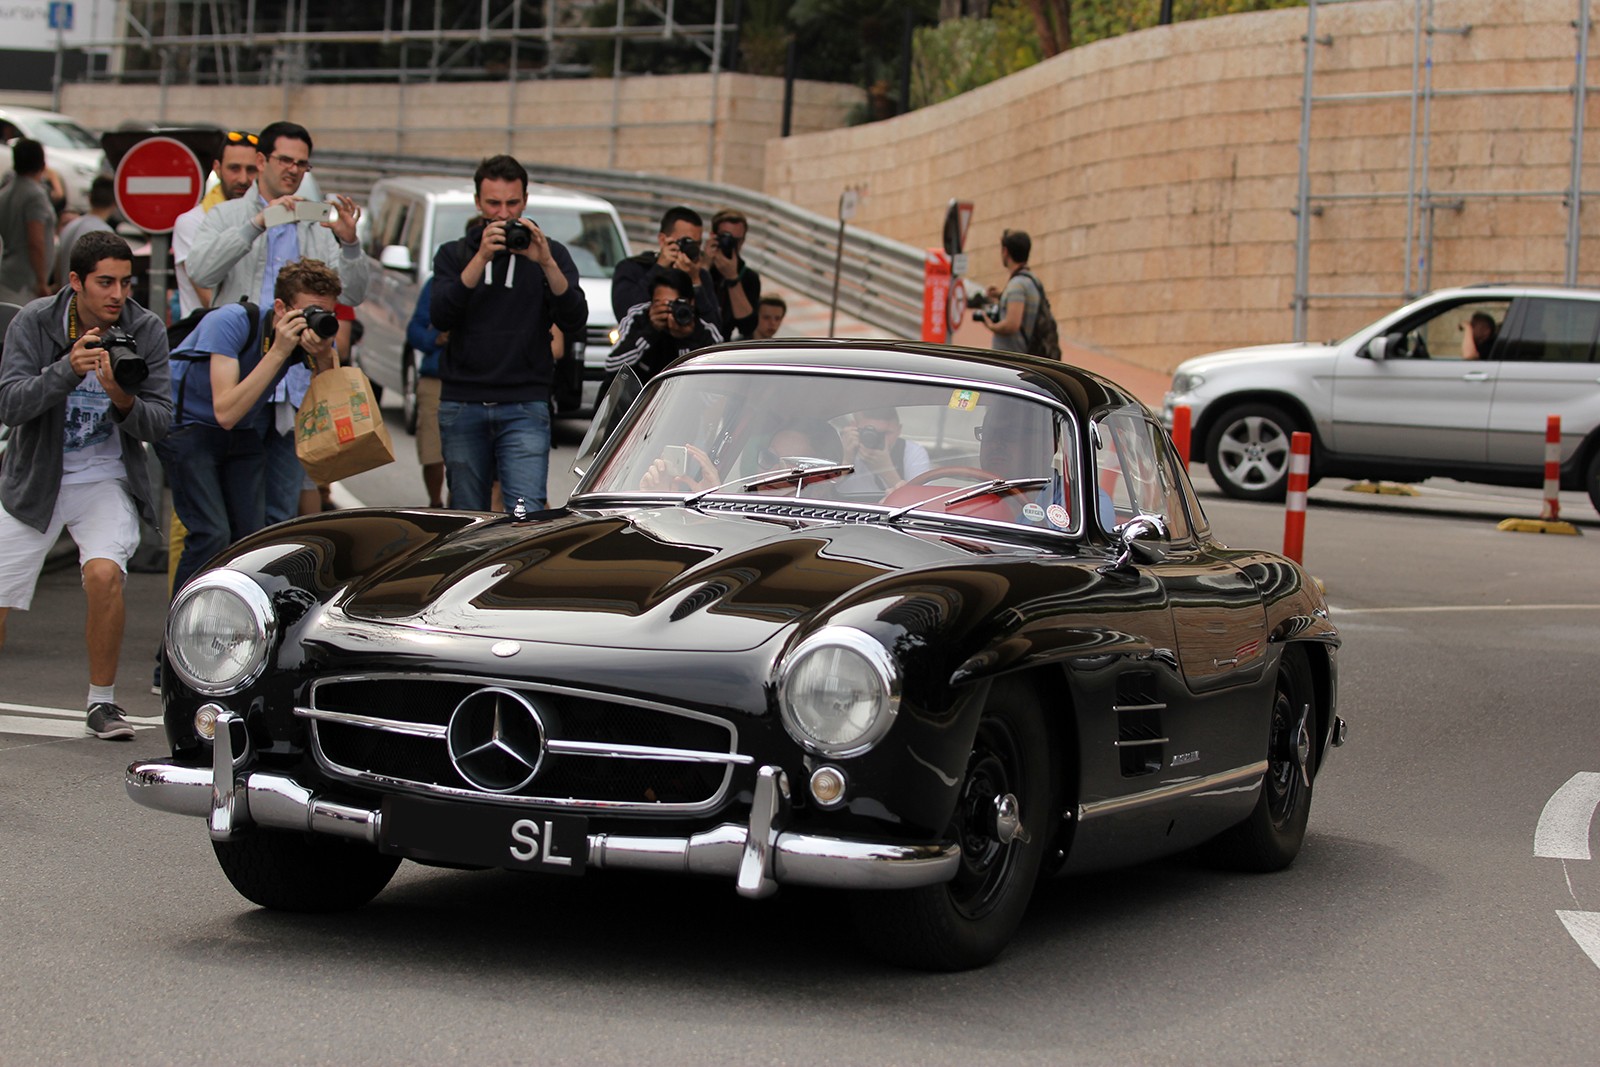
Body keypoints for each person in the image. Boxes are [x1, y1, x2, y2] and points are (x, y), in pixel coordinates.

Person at [0, 231, 172, 739]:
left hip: (104, 478)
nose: (117, 294)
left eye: (125, 282)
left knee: (104, 576)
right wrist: (65, 371)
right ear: (75, 282)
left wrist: (122, 399)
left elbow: (161, 421)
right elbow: (9, 404)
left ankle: (102, 703)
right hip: (37, 476)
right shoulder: (35, 321)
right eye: (104, 282)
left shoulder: (145, 327)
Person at [186, 121, 369, 527]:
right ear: (261, 160)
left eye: (302, 164)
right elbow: (200, 270)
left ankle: (269, 590)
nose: (293, 170)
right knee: (227, 517)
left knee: (279, 517)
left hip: (293, 388)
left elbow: (352, 295)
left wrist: (351, 243)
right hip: (240, 379)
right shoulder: (229, 215)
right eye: (285, 160)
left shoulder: (316, 226)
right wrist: (256, 224)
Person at [157, 258, 342, 597]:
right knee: (211, 533)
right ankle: (176, 632)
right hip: (189, 430)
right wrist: (279, 352)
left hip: (240, 433)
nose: (316, 322)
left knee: (251, 543)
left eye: (326, 313)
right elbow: (225, 411)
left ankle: (232, 625)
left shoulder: (301, 341)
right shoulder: (230, 321)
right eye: (309, 312)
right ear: (281, 307)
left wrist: (326, 356)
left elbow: (333, 405)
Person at [429, 154, 587, 514]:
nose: (503, 214)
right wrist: (481, 257)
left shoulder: (551, 255)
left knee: (526, 512)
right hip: (463, 401)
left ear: (525, 201)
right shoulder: (454, 254)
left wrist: (545, 262)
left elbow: (575, 319)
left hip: (524, 402)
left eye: (512, 203)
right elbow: (441, 315)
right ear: (478, 203)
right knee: (467, 516)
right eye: (493, 204)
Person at [172, 130, 261, 317]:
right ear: (217, 168)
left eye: (251, 170)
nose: (243, 179)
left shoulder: (265, 219)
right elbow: (211, 299)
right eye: (234, 168)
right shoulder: (191, 222)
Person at [605, 267, 723, 386]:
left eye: (675, 304)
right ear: (651, 302)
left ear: (691, 302)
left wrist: (686, 339)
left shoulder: (703, 327)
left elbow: (713, 380)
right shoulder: (639, 317)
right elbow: (612, 365)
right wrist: (651, 331)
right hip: (639, 396)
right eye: (660, 304)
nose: (668, 311)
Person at [610, 206, 722, 327]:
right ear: (663, 240)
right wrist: (659, 268)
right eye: (687, 242)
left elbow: (715, 328)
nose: (692, 249)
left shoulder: (700, 276)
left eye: (696, 244)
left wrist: (695, 284)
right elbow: (624, 315)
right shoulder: (632, 268)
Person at [406, 274, 448, 508]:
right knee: (432, 453)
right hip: (436, 377)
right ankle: (436, 505)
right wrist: (436, 339)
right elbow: (415, 331)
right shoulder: (438, 282)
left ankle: (462, 509)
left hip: (478, 383)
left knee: (468, 462)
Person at [0, 138, 56, 305]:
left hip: (7, 274)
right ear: (42, 163)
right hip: (24, 282)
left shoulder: (5, 192)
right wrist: (41, 281)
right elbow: (35, 240)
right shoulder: (35, 196)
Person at [838, 406, 931, 495]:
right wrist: (846, 461)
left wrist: (887, 471)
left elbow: (920, 501)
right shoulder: (838, 447)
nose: (878, 439)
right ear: (854, 426)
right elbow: (824, 489)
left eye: (886, 433)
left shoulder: (912, 452)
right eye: (870, 432)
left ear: (899, 430)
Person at [979, 229, 1040, 353]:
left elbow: (1012, 324)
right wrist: (1001, 295)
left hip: (1012, 356)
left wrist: (991, 325)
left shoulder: (1017, 285)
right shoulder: (1031, 280)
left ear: (1005, 252)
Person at [53, 177, 114, 291]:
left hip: (66, 298)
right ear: (115, 203)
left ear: (90, 198)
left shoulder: (69, 226)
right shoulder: (106, 234)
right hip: (84, 301)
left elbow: (58, 270)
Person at [706, 208, 759, 339]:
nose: (732, 245)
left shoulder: (748, 277)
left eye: (737, 240)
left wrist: (732, 278)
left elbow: (747, 326)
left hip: (720, 346)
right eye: (727, 238)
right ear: (713, 236)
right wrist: (704, 266)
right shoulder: (693, 265)